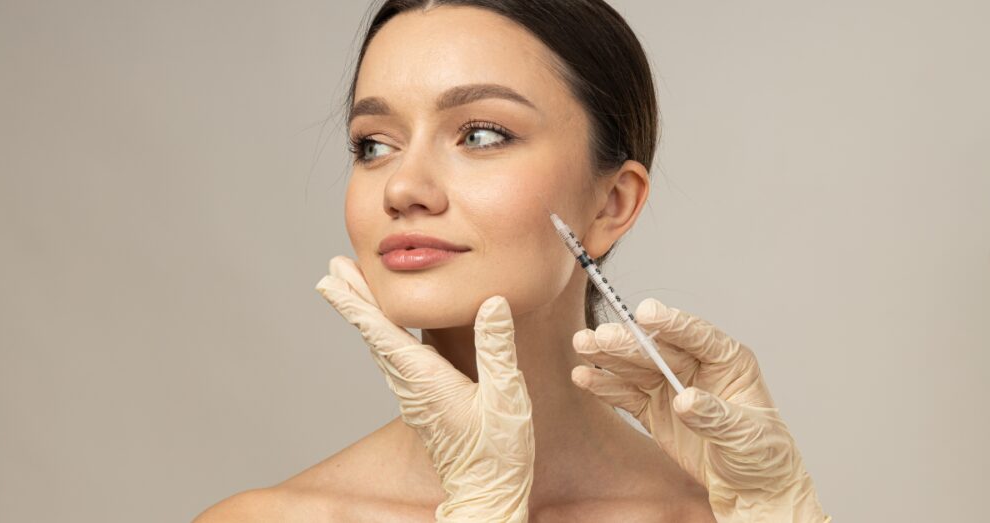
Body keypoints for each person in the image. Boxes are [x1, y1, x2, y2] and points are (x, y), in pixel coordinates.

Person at [195, 1, 829, 521]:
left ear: (610, 203)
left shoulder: (726, 516)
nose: (401, 187)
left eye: (480, 135)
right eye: (374, 144)